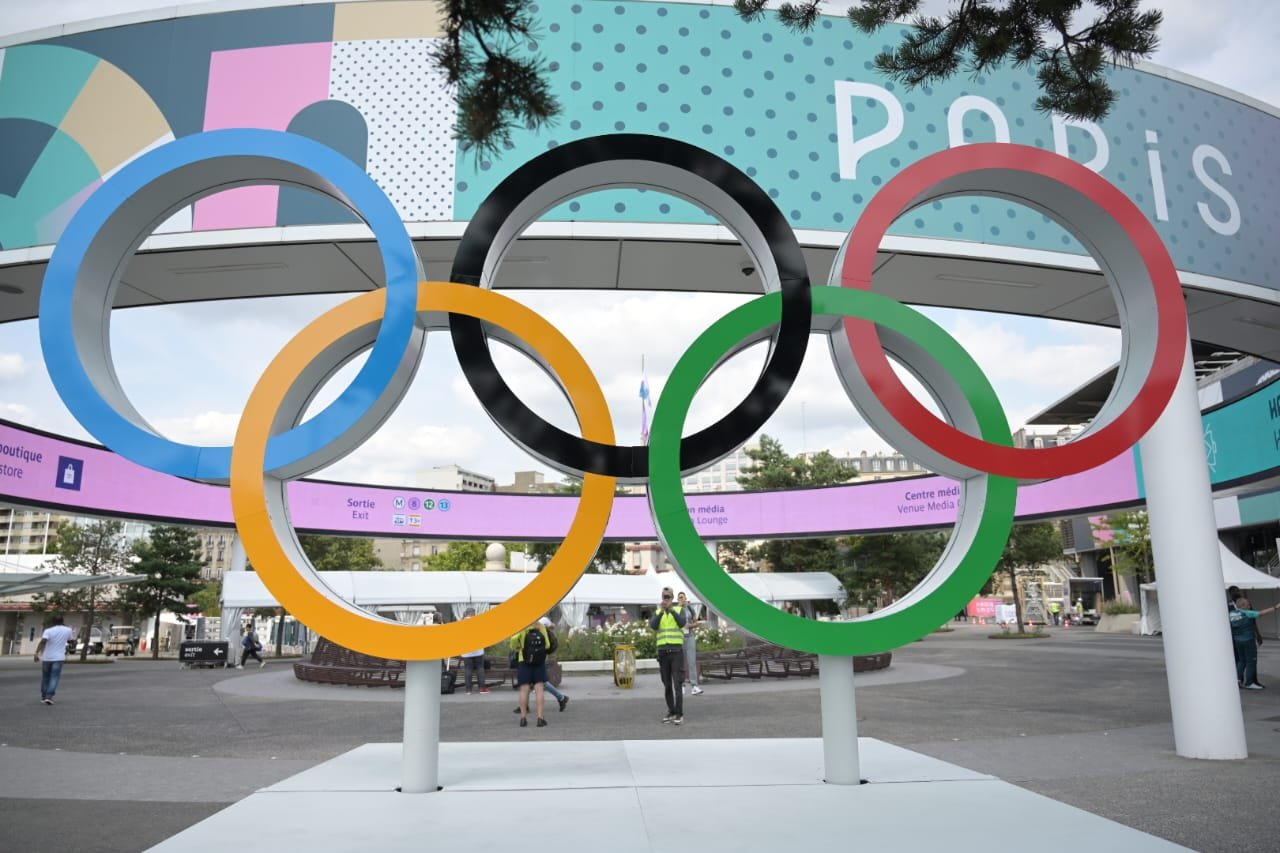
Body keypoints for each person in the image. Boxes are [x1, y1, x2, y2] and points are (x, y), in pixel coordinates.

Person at [513, 618, 568, 713]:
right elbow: (552, 627)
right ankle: (525, 706)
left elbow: (515, 640)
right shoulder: (543, 621)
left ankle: (561, 697)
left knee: (540, 682)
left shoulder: (537, 622)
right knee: (532, 682)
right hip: (539, 655)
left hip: (530, 657)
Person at [649, 589, 686, 725]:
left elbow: (682, 623)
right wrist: (662, 611)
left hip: (676, 651)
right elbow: (653, 625)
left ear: (672, 598)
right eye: (664, 597)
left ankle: (679, 713)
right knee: (667, 685)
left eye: (668, 597)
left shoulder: (679, 610)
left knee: (677, 684)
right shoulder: (658, 612)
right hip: (663, 653)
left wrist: (671, 610)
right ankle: (671, 711)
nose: (666, 600)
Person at [511, 619, 556, 727]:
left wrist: (517, 647)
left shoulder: (522, 626)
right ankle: (540, 718)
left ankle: (523, 718)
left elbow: (513, 641)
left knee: (524, 689)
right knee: (539, 689)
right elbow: (547, 645)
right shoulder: (541, 626)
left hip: (524, 662)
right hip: (539, 662)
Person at [1230, 596, 1279, 690]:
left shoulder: (1231, 614)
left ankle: (1237, 680)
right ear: (1242, 605)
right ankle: (1249, 683)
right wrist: (1275, 607)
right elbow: (1261, 613)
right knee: (1251, 662)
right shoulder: (1247, 613)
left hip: (1237, 641)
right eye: (1248, 604)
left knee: (1242, 661)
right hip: (1248, 641)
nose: (1250, 606)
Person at [34, 614, 75, 705]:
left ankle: (44, 697)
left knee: (45, 677)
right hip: (59, 658)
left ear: (53, 622)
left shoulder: (48, 631)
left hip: (47, 657)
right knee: (54, 677)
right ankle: (49, 696)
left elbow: (43, 642)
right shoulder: (68, 630)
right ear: (62, 621)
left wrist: (36, 653)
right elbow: (71, 640)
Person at [676, 592, 703, 695]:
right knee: (681, 663)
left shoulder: (690, 608)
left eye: (683, 597)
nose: (681, 599)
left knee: (691, 662)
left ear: (685, 598)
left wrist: (690, 625)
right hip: (680, 637)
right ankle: (681, 685)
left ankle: (695, 686)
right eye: (679, 598)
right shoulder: (676, 609)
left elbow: (697, 623)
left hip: (690, 636)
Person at [459, 609, 490, 695]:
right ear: (473, 613)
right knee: (480, 668)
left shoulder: (461, 623)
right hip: (478, 650)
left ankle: (468, 689)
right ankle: (482, 688)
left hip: (466, 651)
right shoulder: (478, 622)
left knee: (468, 669)